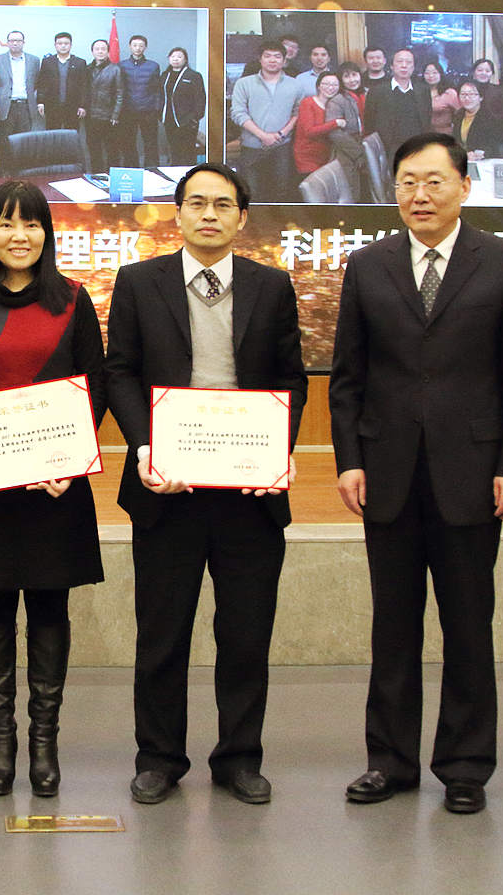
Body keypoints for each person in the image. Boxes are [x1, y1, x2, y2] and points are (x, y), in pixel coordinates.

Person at [329, 132, 503, 815]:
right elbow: (348, 377)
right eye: (407, 183)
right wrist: (349, 459)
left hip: (473, 474)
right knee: (392, 626)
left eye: (433, 182)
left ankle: (465, 766)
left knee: (468, 625)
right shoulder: (368, 265)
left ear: (463, 187)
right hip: (387, 472)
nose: (419, 195)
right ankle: (388, 762)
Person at [105, 163, 308, 807]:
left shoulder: (272, 286)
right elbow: (120, 372)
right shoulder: (139, 282)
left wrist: (275, 450)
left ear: (242, 217)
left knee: (246, 633)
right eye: (197, 203)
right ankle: (159, 757)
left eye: (223, 204)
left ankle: (240, 758)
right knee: (162, 633)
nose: (209, 215)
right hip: (167, 489)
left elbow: (291, 378)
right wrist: (144, 445)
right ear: (178, 214)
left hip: (249, 492)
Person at [0, 181, 107, 798]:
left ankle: (43, 742)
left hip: (54, 485)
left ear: (46, 234)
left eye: (32, 224)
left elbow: (96, 384)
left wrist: (74, 459)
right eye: (6, 224)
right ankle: (1, 740)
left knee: (49, 607)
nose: (19, 236)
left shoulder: (73, 301)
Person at [228, 43, 299, 202]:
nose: (272, 60)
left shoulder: (295, 84)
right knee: (250, 194)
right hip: (251, 147)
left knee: (281, 193)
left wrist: (281, 134)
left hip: (282, 146)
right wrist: (263, 135)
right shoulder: (244, 83)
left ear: (284, 60)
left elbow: (298, 112)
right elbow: (238, 113)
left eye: (277, 56)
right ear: (260, 59)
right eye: (267, 56)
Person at [362, 48, 429, 160]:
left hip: (418, 149)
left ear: (413, 67)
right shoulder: (377, 92)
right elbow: (369, 124)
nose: (404, 66)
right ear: (392, 66)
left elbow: (426, 120)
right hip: (389, 151)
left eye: (409, 62)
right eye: (399, 61)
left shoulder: (423, 91)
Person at [0, 30, 42, 171]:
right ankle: (4, 174)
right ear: (7, 43)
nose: (15, 43)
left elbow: (37, 82)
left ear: (23, 42)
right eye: (12, 40)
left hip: (26, 107)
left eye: (18, 40)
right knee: (4, 142)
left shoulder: (34, 61)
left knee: (24, 143)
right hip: (6, 107)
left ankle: (21, 173)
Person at [294, 71, 353, 180]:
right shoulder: (308, 103)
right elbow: (309, 132)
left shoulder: (336, 105)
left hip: (327, 157)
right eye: (326, 84)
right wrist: (335, 123)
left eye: (335, 85)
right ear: (318, 86)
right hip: (308, 158)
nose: (331, 88)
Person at [117, 35, 164, 169]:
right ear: (130, 47)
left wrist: (156, 109)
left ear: (145, 48)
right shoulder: (121, 65)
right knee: (128, 143)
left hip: (148, 111)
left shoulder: (153, 66)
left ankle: (152, 171)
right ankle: (132, 171)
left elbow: (157, 90)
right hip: (127, 111)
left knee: (150, 143)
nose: (138, 48)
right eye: (135, 45)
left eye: (141, 45)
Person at [37, 31, 91, 144]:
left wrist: (82, 105)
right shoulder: (47, 62)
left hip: (72, 107)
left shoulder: (80, 62)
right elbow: (42, 83)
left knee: (71, 138)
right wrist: (40, 102)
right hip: (52, 106)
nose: (63, 46)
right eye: (60, 43)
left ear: (71, 45)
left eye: (66, 43)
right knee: (52, 137)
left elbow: (84, 86)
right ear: (55, 45)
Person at [160, 46, 206, 166]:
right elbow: (159, 96)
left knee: (187, 151)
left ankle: (189, 174)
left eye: (179, 57)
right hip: (169, 120)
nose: (175, 59)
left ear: (185, 60)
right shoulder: (165, 75)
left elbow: (200, 98)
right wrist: (160, 115)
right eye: (173, 56)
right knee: (174, 150)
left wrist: (195, 117)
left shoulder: (194, 75)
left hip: (187, 121)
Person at [84, 38, 123, 175]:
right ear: (92, 52)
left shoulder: (115, 69)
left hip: (109, 117)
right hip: (90, 116)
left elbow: (120, 93)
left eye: (103, 49)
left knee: (112, 150)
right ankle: (97, 176)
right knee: (93, 149)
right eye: (97, 49)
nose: (100, 51)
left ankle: (113, 177)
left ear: (108, 52)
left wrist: (115, 114)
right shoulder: (87, 69)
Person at [453, 81, 503, 160]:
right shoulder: (459, 115)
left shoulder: (490, 118)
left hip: (484, 161)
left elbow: (496, 146)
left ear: (481, 97)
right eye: (463, 94)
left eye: (471, 94)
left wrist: (480, 154)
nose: (467, 98)